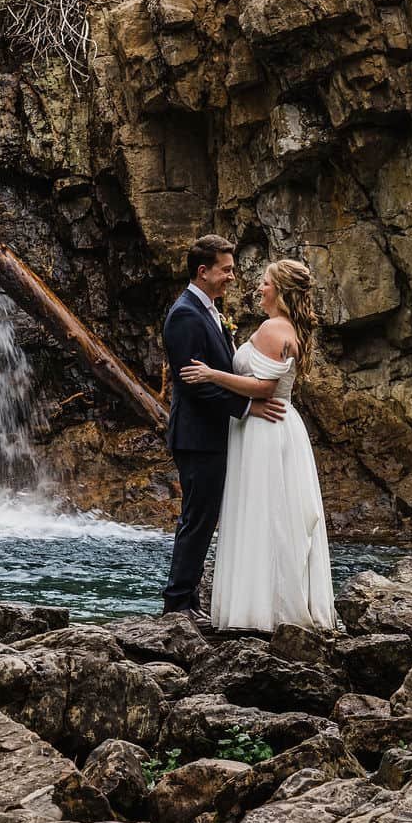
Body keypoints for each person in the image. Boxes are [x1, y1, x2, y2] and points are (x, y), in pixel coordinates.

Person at [177, 258, 334, 632]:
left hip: (264, 429)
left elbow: (264, 388)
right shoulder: (288, 327)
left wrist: (211, 373)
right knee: (279, 514)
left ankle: (260, 610)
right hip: (278, 426)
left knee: (263, 513)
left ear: (280, 291)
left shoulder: (271, 329)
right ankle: (275, 604)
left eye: (265, 283)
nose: (258, 288)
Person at [160, 235, 284, 620]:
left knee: (204, 517)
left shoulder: (209, 311)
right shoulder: (185, 315)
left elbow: (216, 374)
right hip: (197, 435)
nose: (232, 276)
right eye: (226, 269)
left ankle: (189, 599)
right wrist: (248, 405)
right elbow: (192, 384)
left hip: (213, 434)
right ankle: (178, 603)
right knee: (198, 518)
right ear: (204, 271)